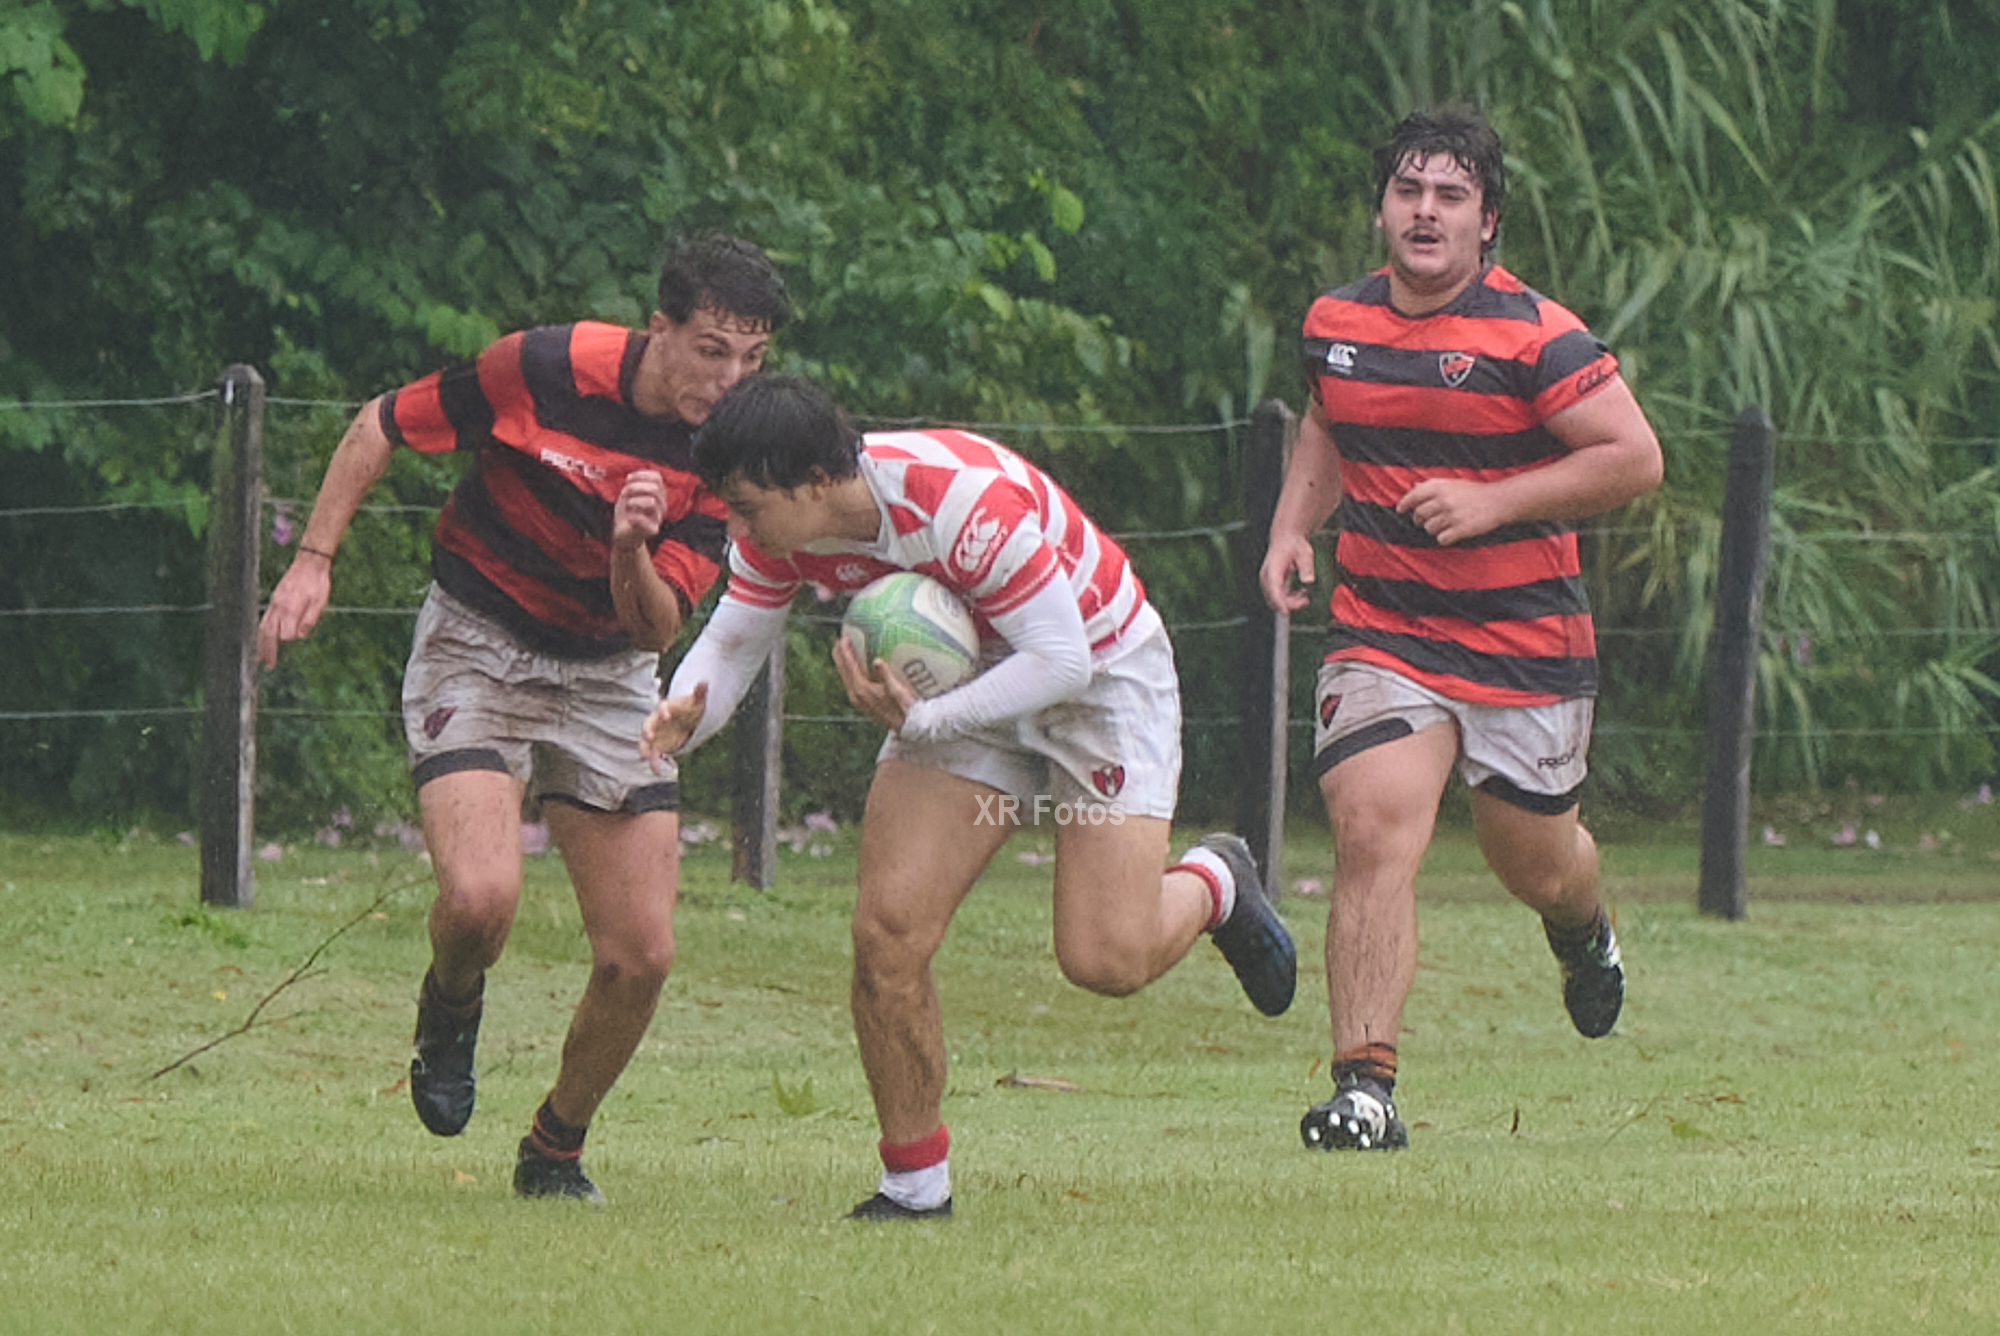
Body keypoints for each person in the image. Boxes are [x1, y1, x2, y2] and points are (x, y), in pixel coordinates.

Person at [641, 373, 1297, 1220]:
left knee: (1105, 959)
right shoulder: (783, 529)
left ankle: (1217, 881)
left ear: (810, 481)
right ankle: (915, 1187)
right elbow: (731, 641)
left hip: (1094, 675)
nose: (736, 527)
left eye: (746, 505)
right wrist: (683, 718)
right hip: (960, 694)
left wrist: (927, 721)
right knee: (887, 931)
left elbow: (1062, 660)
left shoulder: (953, 500)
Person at [257, 233, 791, 1202]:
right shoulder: (541, 367)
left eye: (751, 359)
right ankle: (451, 1004)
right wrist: (314, 558)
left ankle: (554, 1148)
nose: (730, 380)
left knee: (642, 955)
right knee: (478, 901)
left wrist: (630, 547)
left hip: (609, 672)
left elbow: (655, 624)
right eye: (710, 350)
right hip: (478, 636)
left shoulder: (730, 450)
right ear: (657, 327)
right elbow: (382, 423)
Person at [1259, 107, 1664, 1152]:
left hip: (1523, 645)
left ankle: (1581, 930)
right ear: (1381, 208)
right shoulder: (1333, 324)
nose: (1424, 212)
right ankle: (1364, 1088)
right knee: (1370, 828)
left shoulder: (1537, 334)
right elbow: (1325, 424)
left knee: (1531, 861)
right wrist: (1291, 530)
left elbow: (1632, 457)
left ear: (1488, 221)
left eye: (1449, 196)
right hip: (1384, 628)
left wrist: (1496, 500)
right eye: (1407, 191)